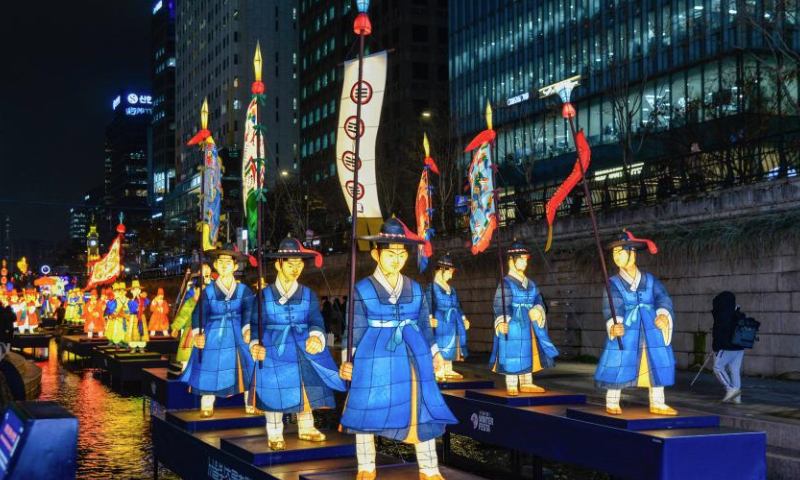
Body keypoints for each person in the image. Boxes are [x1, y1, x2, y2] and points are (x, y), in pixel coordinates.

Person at [339, 218, 456, 480]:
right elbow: (354, 329)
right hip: (373, 355)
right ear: (375, 254)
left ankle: (429, 468)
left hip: (411, 352)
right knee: (366, 406)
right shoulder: (362, 289)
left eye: (401, 254)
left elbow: (425, 327)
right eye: (390, 253)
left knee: (421, 405)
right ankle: (366, 466)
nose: (397, 259)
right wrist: (349, 361)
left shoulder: (415, 288)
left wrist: (435, 353)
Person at [249, 237, 346, 451]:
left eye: (299, 264)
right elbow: (256, 324)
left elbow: (316, 320)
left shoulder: (308, 294)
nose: (295, 269)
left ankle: (306, 427)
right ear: (278, 264)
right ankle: (274, 432)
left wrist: (316, 337)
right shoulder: (264, 296)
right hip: (274, 348)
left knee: (305, 389)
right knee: (274, 390)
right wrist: (255, 343)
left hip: (303, 347)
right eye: (290, 264)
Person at [594, 230, 677, 416]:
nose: (617, 257)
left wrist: (663, 315)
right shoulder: (613, 283)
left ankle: (658, 402)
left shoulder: (649, 279)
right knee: (619, 360)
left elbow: (662, 298)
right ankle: (612, 400)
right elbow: (612, 305)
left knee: (656, 361)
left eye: (620, 252)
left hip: (651, 326)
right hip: (627, 328)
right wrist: (614, 324)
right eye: (614, 253)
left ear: (633, 253)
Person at [179, 244, 254, 418]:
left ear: (235, 266)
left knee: (249, 364)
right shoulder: (209, 290)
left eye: (229, 262)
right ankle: (207, 402)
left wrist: (247, 328)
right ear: (215, 265)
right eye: (221, 262)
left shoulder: (244, 290)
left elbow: (249, 311)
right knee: (209, 364)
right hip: (214, 332)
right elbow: (200, 312)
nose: (225, 266)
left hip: (238, 332)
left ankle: (250, 401)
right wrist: (198, 331)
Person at [490, 240, 558, 396]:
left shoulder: (531, 284)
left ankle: (527, 382)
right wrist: (501, 320)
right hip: (513, 323)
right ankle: (512, 382)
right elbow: (500, 304)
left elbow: (539, 299)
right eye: (520, 259)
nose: (524, 263)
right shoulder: (505, 283)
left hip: (529, 323)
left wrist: (538, 309)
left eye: (525, 259)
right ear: (511, 260)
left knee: (528, 351)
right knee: (513, 352)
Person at [427, 253, 470, 379]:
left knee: (452, 344)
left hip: (452, 320)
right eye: (449, 271)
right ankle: (438, 369)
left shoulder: (452, 289)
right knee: (440, 344)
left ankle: (448, 368)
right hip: (440, 319)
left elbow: (457, 305)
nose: (451, 274)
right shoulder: (432, 287)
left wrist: (463, 318)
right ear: (441, 270)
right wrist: (429, 318)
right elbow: (428, 304)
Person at [171, 265, 212, 371]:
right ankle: (185, 368)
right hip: (190, 328)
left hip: (206, 330)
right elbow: (183, 315)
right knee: (188, 350)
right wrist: (176, 327)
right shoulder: (191, 299)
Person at [712, 291, 745, 404]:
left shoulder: (721, 314)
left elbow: (718, 332)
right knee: (734, 371)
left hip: (726, 347)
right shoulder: (737, 313)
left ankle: (730, 389)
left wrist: (715, 347)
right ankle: (737, 398)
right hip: (739, 347)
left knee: (717, 368)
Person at [127, 280, 150, 353]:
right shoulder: (130, 301)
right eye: (135, 289)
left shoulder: (143, 299)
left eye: (138, 289)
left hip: (141, 316)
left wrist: (142, 299)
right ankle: (133, 347)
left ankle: (141, 347)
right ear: (132, 291)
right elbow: (131, 308)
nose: (136, 291)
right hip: (134, 317)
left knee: (142, 331)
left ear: (140, 290)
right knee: (134, 331)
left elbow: (146, 302)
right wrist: (134, 299)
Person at [105, 282, 130, 349]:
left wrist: (127, 314)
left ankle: (125, 342)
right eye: (120, 291)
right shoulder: (115, 301)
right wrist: (113, 314)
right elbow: (111, 309)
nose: (121, 293)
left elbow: (130, 309)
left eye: (123, 291)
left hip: (125, 318)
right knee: (116, 329)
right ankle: (116, 343)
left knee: (125, 331)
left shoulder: (128, 300)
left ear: (125, 292)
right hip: (117, 318)